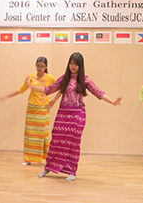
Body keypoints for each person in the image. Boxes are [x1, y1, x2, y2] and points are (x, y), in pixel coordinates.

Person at [26, 52, 122, 181]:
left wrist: (113, 102)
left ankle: (72, 171)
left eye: (76, 64)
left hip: (78, 114)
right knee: (56, 141)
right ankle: (48, 167)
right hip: (63, 113)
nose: (73, 66)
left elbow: (98, 92)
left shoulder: (85, 79)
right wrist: (31, 86)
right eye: (71, 63)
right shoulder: (64, 78)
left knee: (73, 143)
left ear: (80, 65)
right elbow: (48, 90)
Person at [0, 57, 57, 166]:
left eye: (42, 66)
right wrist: (6, 96)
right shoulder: (30, 77)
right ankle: (28, 158)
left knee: (44, 134)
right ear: (35, 65)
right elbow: (21, 90)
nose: (40, 68)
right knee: (30, 134)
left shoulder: (50, 78)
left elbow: (60, 87)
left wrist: (53, 101)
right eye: (38, 65)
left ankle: (49, 158)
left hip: (43, 109)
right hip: (32, 109)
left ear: (46, 67)